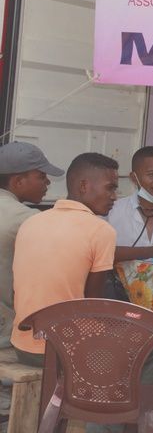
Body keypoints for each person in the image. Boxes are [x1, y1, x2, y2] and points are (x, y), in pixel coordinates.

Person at [11, 153, 118, 365]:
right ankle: (109, 397)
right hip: (63, 350)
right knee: (151, 349)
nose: (115, 196)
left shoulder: (32, 221)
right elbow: (92, 303)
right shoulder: (101, 230)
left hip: (22, 345)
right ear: (84, 186)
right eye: (110, 188)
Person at [0, 142, 64, 347]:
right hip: (5, 328)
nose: (47, 183)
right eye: (41, 176)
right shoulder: (27, 218)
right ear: (18, 181)